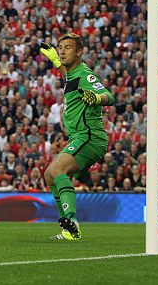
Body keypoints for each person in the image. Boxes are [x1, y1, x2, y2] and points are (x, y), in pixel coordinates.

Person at [40, 34, 114, 240]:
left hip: (90, 137)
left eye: (67, 48)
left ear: (79, 52)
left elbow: (110, 96)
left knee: (57, 170)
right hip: (78, 138)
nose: (62, 51)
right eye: (60, 47)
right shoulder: (72, 74)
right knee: (49, 175)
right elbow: (67, 74)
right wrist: (55, 60)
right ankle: (68, 229)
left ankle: (72, 221)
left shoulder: (85, 75)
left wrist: (98, 98)